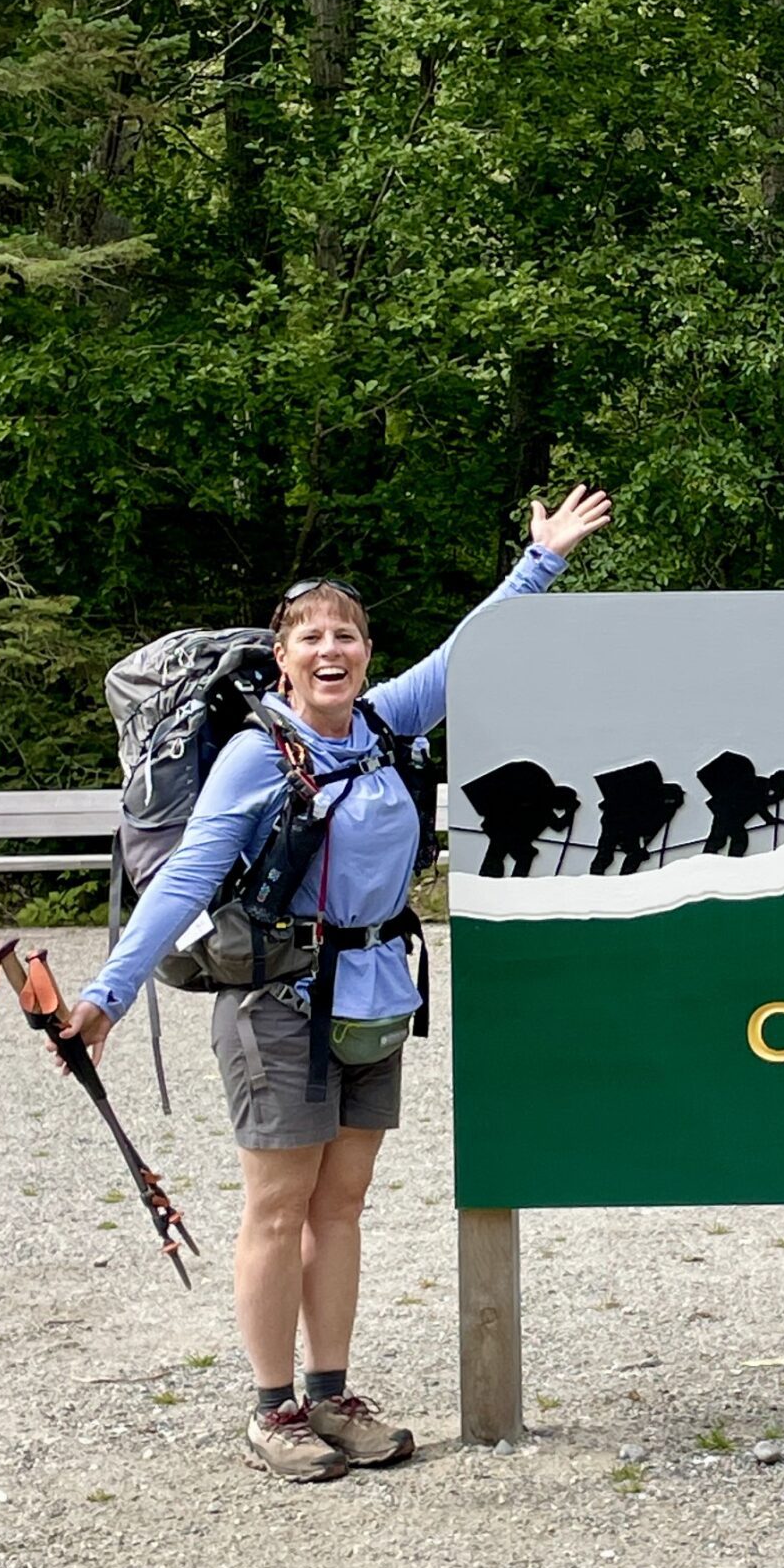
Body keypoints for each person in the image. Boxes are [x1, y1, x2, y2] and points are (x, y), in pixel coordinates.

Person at [62, 484, 612, 1483]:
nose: (330, 650)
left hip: (374, 999)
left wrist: (542, 559)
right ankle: (273, 1409)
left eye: (346, 635)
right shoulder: (254, 756)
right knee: (280, 1206)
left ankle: (330, 1393)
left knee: (343, 1205)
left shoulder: (384, 723)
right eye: (310, 635)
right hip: (277, 1002)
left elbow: (468, 655)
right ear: (282, 656)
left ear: (364, 652)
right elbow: (185, 877)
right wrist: (106, 996)